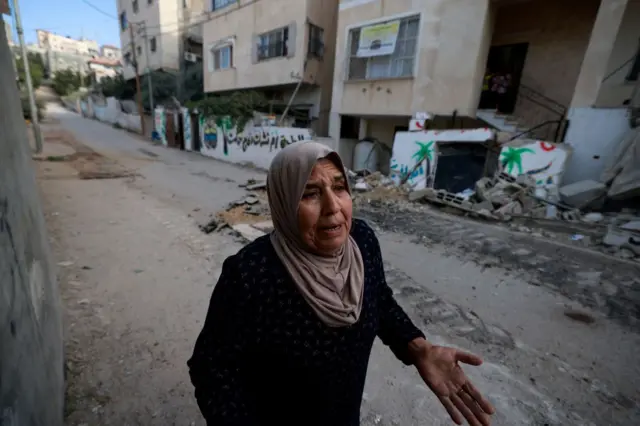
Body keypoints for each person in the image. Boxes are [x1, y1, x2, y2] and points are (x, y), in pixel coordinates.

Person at [187, 142, 495, 426]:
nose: (333, 207)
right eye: (310, 193)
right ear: (284, 201)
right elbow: (211, 369)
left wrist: (419, 348)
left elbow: (379, 300)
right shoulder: (251, 272)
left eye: (339, 187)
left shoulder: (362, 241)